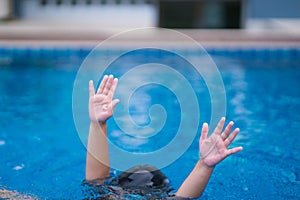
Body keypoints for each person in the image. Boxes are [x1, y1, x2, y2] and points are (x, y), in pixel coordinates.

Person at [85, 75, 243, 199]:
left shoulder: (108, 193)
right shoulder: (107, 195)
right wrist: (98, 124)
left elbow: (96, 184)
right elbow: (96, 185)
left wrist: (205, 165)